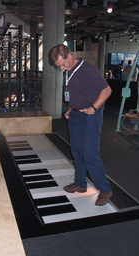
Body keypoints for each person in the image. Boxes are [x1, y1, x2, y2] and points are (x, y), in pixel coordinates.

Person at [49, 44, 112, 206]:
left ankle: (105, 190)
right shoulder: (69, 71)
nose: (62, 68)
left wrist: (93, 108)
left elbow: (107, 90)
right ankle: (80, 183)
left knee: (89, 153)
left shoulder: (89, 70)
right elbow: (72, 93)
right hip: (76, 114)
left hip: (90, 115)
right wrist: (70, 108)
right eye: (59, 66)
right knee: (76, 150)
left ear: (70, 55)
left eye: (63, 64)